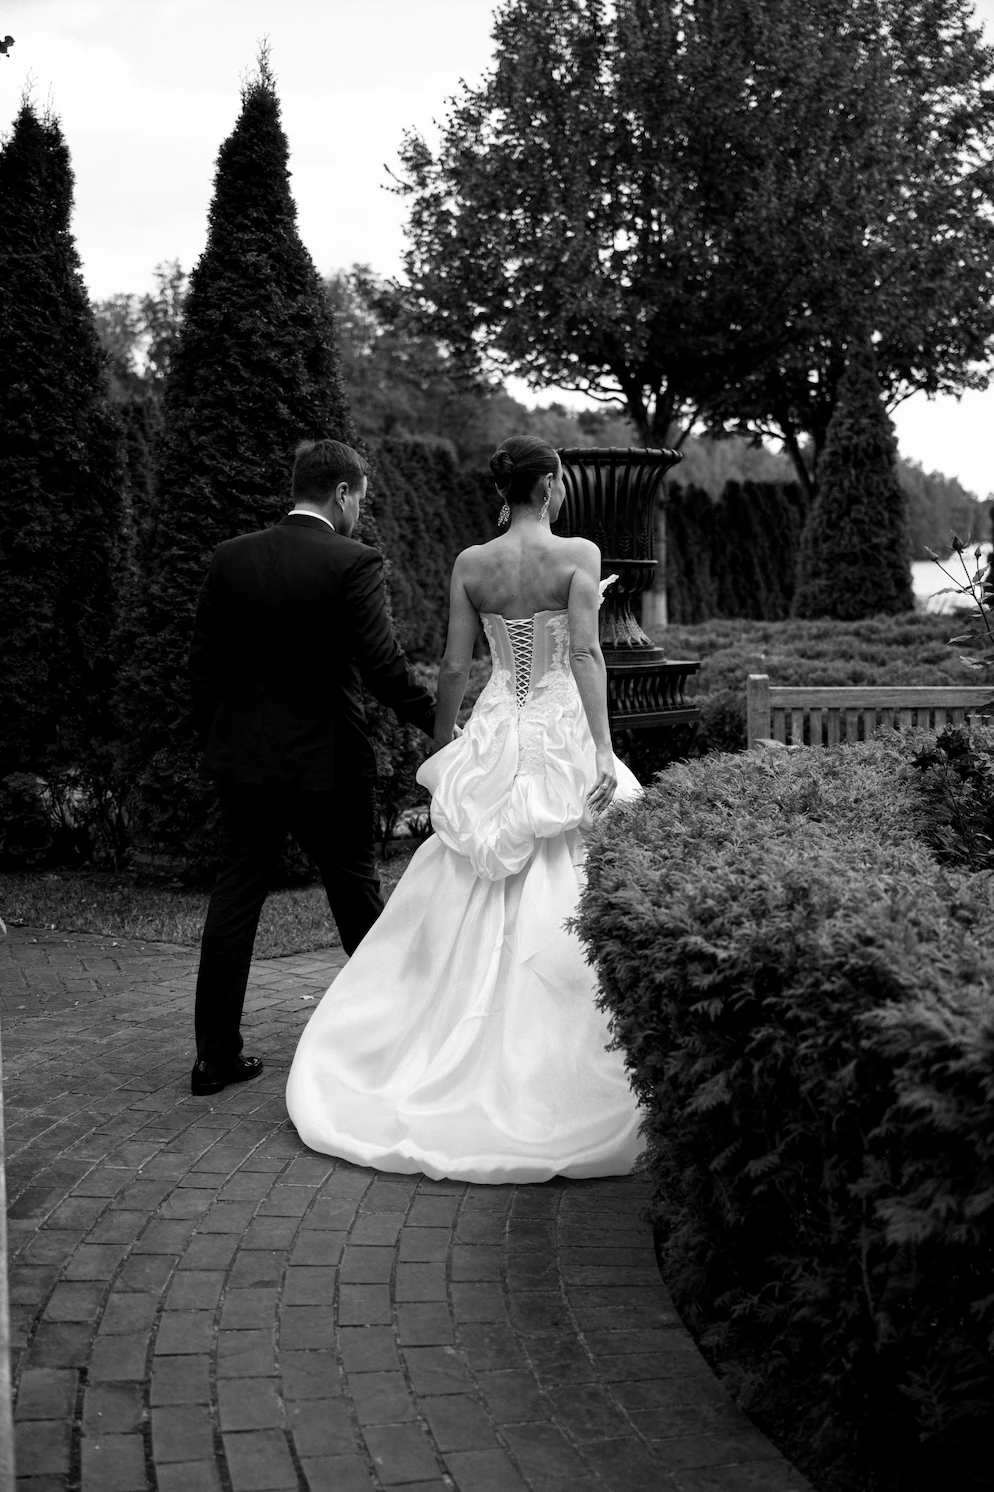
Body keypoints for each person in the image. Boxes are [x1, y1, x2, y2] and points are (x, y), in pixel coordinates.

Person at [285, 435, 643, 1183]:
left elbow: (454, 664)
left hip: (498, 723)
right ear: (548, 484)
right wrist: (603, 751)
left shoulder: (472, 564)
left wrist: (448, 743)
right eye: (560, 480)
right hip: (560, 727)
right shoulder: (578, 554)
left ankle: (432, 1037)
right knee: (572, 868)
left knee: (469, 873)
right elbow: (585, 655)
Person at [188, 438, 435, 1097]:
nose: (360, 513)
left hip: (245, 761)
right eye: (361, 500)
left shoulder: (232, 557)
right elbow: (383, 667)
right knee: (355, 896)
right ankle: (401, 1034)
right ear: (343, 493)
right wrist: (441, 724)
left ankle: (213, 1059)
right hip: (329, 763)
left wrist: (223, 739)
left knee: (235, 900)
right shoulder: (353, 561)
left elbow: (203, 666)